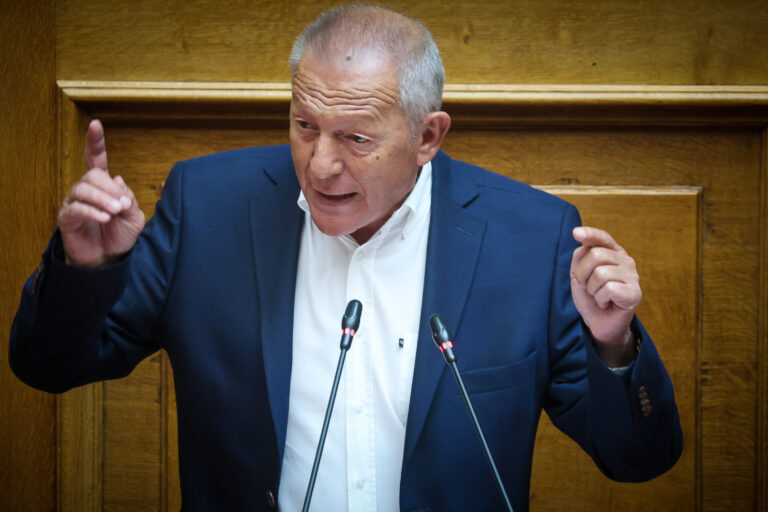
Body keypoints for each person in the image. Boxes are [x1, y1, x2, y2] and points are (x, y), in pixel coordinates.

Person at [9, 5, 682, 511]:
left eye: (356, 138)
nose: (320, 164)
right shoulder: (206, 208)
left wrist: (613, 344)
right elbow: (47, 366)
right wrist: (87, 270)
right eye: (305, 125)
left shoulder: (530, 239)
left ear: (427, 136)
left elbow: (637, 459)